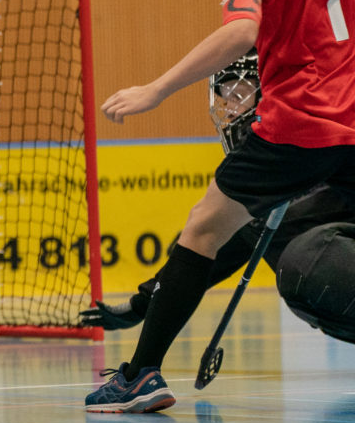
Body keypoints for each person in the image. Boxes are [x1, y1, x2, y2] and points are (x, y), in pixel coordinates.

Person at [85, 0, 355, 413]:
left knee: (205, 227)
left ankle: (139, 376)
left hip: (306, 120)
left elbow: (242, 31)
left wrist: (155, 89)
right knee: (267, 222)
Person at [81, 52, 352, 331]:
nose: (231, 110)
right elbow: (219, 249)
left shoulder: (322, 146)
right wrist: (144, 303)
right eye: (225, 99)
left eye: (238, 97)